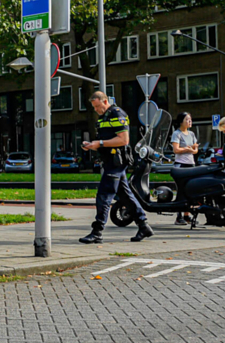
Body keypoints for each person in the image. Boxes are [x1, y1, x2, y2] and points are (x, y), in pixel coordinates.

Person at [79, 91, 153, 244]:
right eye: (94, 107)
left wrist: (99, 144)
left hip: (116, 162)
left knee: (104, 195)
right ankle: (143, 225)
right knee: (126, 196)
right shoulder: (105, 116)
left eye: (98, 106)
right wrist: (93, 145)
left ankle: (97, 231)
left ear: (105, 101)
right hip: (111, 161)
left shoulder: (117, 114)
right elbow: (107, 140)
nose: (96, 110)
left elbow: (123, 140)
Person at [171, 112, 200, 225]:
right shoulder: (177, 134)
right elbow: (176, 150)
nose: (190, 121)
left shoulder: (191, 134)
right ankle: (179, 216)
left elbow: (195, 149)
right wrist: (187, 149)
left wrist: (192, 150)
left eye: (190, 119)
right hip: (181, 165)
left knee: (190, 189)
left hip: (190, 164)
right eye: (187, 119)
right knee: (181, 189)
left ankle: (187, 215)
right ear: (181, 121)